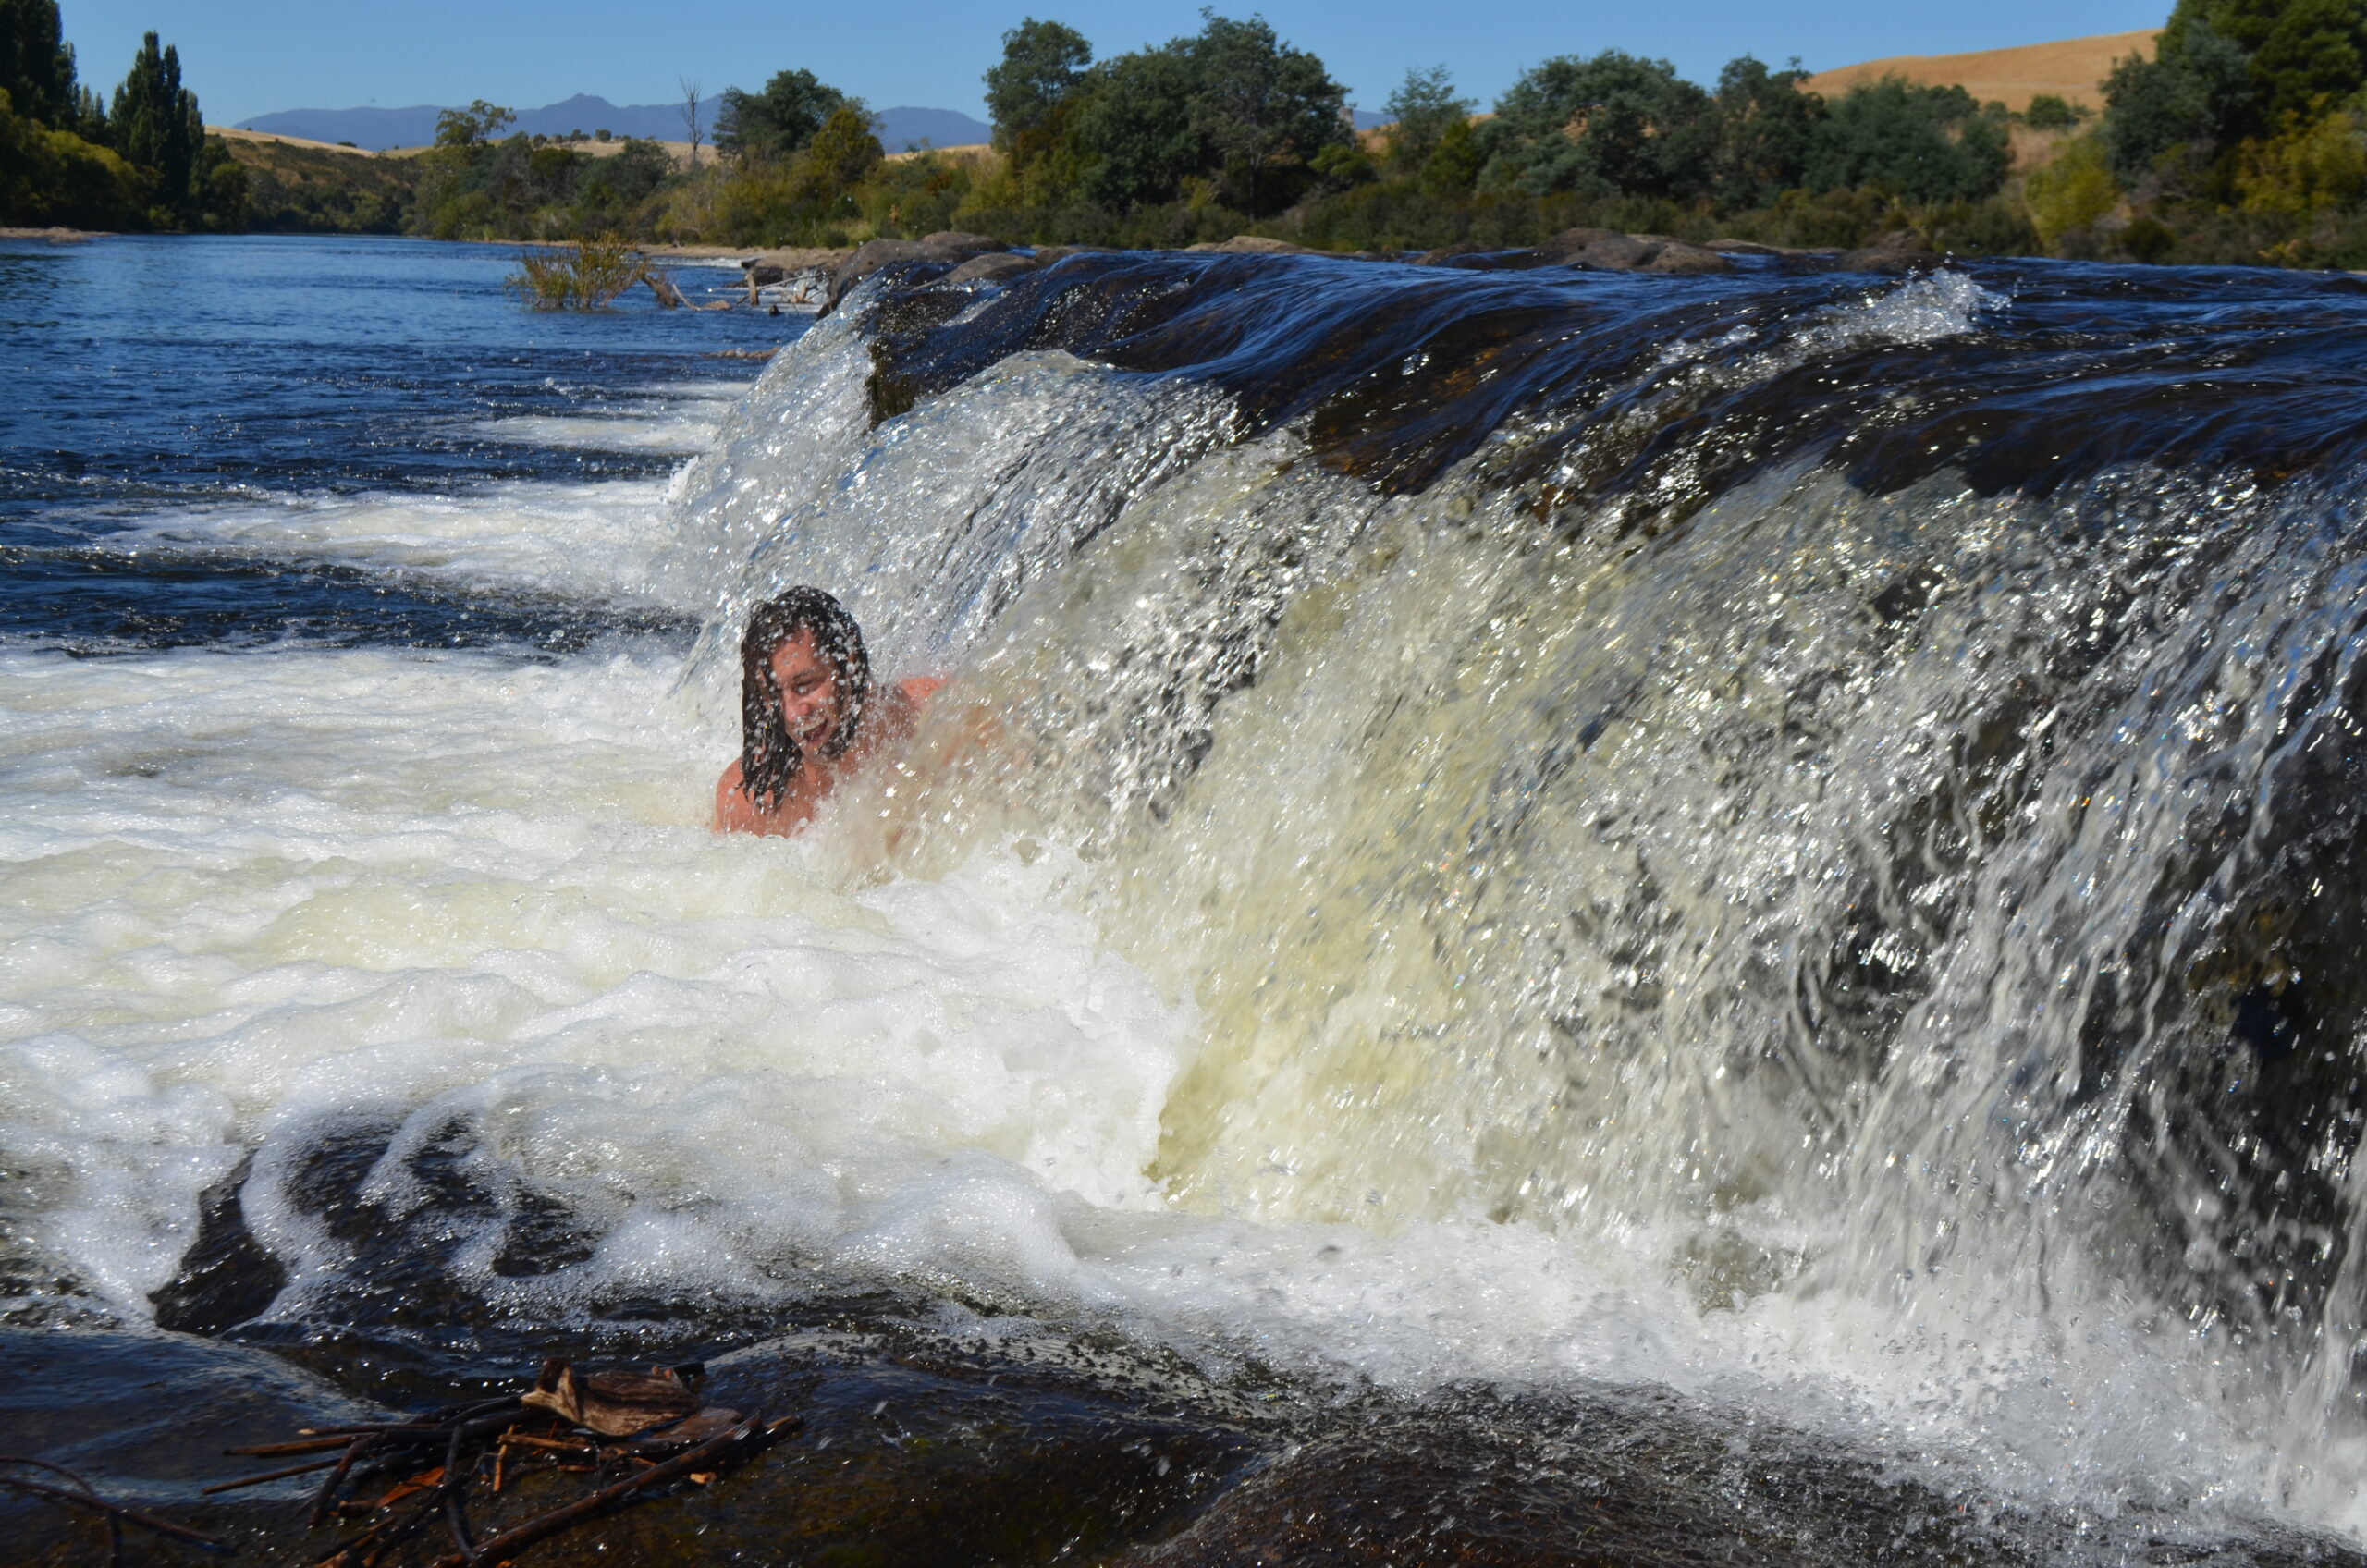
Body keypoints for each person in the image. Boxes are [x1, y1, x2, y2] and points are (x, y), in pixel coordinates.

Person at [714, 586, 941, 836]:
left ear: (850, 663)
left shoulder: (934, 712)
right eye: (774, 696)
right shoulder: (753, 801)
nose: (792, 714)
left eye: (805, 685)